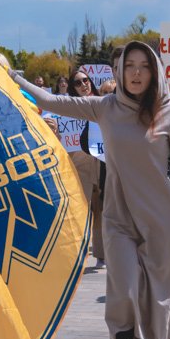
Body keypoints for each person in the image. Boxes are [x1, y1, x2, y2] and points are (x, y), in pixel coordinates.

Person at [11, 41, 170, 339]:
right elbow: (51, 101)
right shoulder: (104, 107)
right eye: (129, 66)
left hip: (160, 221)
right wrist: (11, 76)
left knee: (158, 300)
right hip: (119, 219)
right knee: (121, 292)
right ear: (119, 73)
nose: (136, 73)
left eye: (144, 66)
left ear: (155, 72)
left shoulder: (169, 112)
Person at [66, 68, 106, 267]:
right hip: (79, 163)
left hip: (102, 161)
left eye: (86, 80)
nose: (84, 85)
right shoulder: (66, 108)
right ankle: (78, 253)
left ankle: (101, 254)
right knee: (80, 210)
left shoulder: (102, 103)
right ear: (72, 88)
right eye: (78, 82)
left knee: (102, 209)